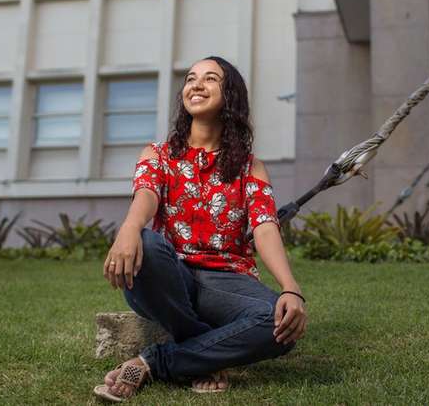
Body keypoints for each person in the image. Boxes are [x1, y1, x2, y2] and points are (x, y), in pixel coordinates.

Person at [94, 56, 307, 402]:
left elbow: (265, 226)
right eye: (191, 78)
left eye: (210, 79)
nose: (196, 84)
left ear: (231, 95)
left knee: (278, 324)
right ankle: (207, 354)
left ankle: (157, 362)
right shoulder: (158, 154)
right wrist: (130, 228)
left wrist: (290, 287)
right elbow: (146, 194)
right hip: (167, 276)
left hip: (225, 282)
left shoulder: (250, 167)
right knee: (146, 243)